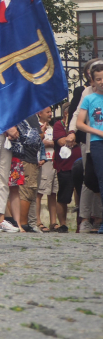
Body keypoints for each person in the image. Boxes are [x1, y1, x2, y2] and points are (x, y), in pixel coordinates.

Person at [74, 62, 103, 234]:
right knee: (100, 179)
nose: (101, 82)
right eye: (98, 79)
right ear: (93, 80)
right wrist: (98, 131)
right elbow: (80, 123)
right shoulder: (89, 98)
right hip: (97, 143)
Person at [6, 114, 43, 232]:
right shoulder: (27, 113)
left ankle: (19, 223)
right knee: (25, 191)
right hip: (25, 158)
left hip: (22, 157)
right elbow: (34, 138)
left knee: (18, 191)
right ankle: (22, 223)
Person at [52, 106, 80, 233]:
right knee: (63, 195)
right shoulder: (59, 125)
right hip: (65, 165)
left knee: (81, 195)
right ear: (66, 113)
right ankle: (63, 224)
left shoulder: (79, 125)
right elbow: (62, 141)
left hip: (79, 164)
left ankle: (81, 223)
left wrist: (74, 140)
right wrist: (74, 140)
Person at [29, 107, 57, 232]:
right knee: (40, 192)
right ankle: (38, 221)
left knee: (53, 192)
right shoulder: (37, 127)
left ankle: (53, 222)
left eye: (51, 112)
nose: (50, 114)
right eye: (47, 112)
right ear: (39, 114)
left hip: (54, 161)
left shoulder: (52, 128)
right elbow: (40, 141)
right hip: (44, 161)